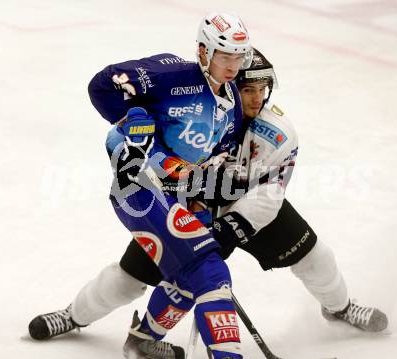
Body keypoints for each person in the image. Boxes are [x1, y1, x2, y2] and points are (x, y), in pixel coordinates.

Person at [121, 48, 388, 357]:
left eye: (262, 89)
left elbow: (271, 191)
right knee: (137, 276)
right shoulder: (196, 112)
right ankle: (87, 320)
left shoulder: (277, 132)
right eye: (249, 90)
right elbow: (161, 161)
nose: (257, 98)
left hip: (252, 205)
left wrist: (232, 226)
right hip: (196, 200)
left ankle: (340, 308)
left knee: (317, 257)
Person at [28, 12, 254, 359]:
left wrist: (200, 199)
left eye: (239, 57)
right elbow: (101, 84)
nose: (233, 66)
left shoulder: (231, 103)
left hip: (177, 192)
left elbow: (218, 153)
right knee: (208, 268)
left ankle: (134, 339)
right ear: (203, 51)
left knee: (169, 276)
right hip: (137, 185)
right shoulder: (170, 75)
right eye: (225, 56)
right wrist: (127, 116)